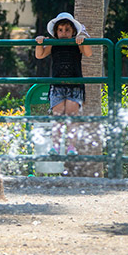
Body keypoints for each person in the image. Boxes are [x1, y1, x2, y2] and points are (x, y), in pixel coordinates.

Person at [35, 12, 92, 156]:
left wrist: (83, 39)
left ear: (73, 31)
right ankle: (55, 146)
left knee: (72, 116)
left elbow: (88, 53)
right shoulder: (53, 44)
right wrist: (40, 42)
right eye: (60, 30)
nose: (64, 33)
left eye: (67, 30)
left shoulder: (76, 43)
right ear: (55, 32)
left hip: (75, 84)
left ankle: (71, 147)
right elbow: (39, 55)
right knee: (58, 117)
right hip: (57, 85)